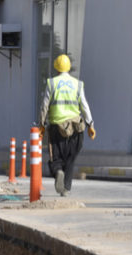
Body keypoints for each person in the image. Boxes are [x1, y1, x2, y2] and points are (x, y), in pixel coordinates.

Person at [39, 54, 96, 197]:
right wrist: (90, 125)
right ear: (69, 68)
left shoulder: (52, 83)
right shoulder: (78, 84)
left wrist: (42, 124)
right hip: (76, 129)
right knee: (70, 158)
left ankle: (58, 171)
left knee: (55, 158)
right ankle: (66, 189)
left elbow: (44, 106)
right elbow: (84, 106)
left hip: (57, 128)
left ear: (56, 67)